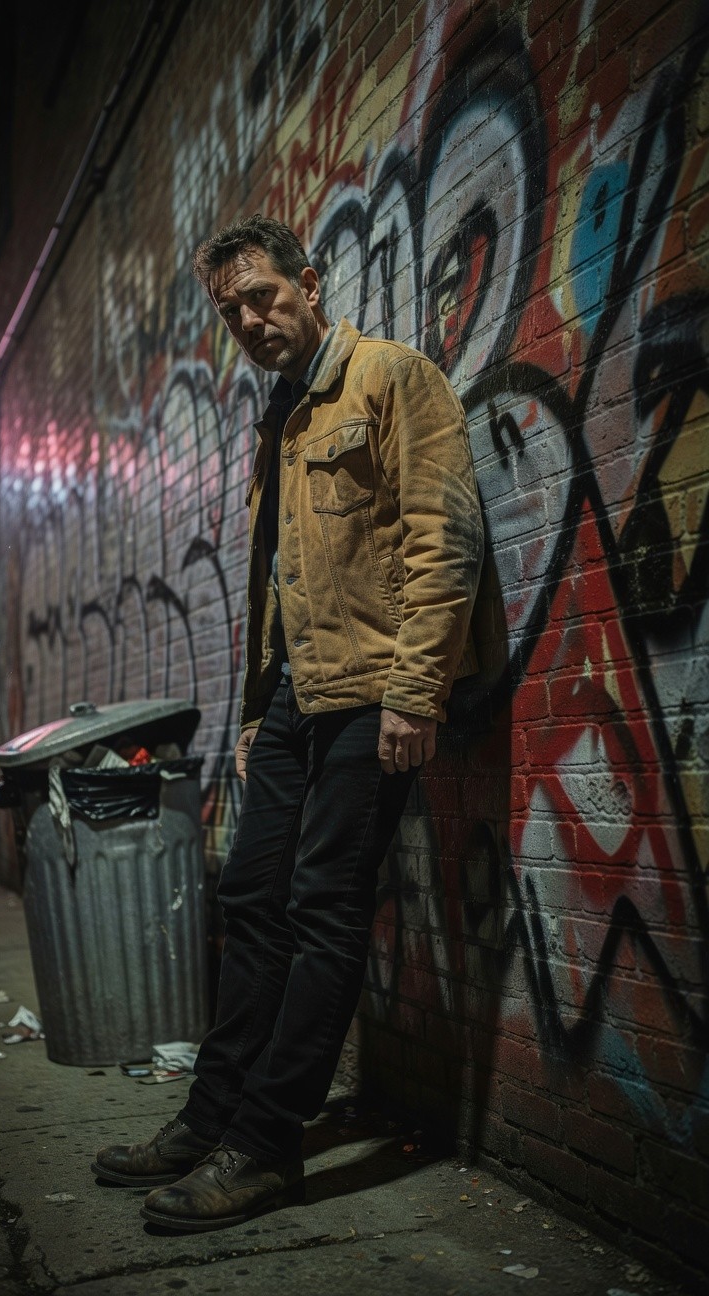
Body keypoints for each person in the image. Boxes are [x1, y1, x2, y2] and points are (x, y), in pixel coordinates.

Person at [92, 214, 484, 1232]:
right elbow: (275, 579)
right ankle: (210, 1116)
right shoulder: (280, 418)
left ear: (311, 285)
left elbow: (445, 542)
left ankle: (265, 1147)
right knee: (254, 896)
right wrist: (259, 706)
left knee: (323, 908)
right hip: (296, 705)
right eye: (231, 311)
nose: (250, 319)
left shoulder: (394, 379)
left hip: (371, 695)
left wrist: (414, 694)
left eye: (262, 296)